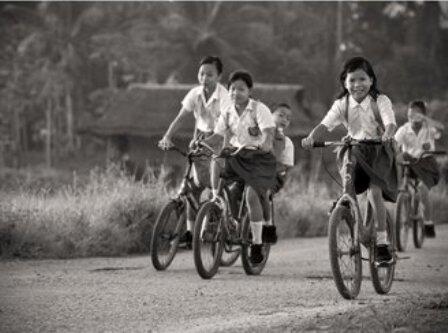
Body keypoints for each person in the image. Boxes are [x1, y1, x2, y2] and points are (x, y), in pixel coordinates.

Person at [302, 56, 398, 263]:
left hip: (379, 150)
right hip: (356, 148)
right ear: (345, 83)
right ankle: (346, 203)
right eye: (351, 80)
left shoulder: (380, 101)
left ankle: (382, 243)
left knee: (374, 190)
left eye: (362, 79)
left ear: (371, 80)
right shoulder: (341, 104)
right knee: (347, 171)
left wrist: (388, 133)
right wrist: (311, 138)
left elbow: (390, 122)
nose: (357, 85)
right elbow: (324, 125)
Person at [202, 70, 277, 264]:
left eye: (241, 89)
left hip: (259, 158)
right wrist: (202, 143)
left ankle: (258, 245)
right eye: (232, 89)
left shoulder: (260, 109)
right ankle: (216, 200)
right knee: (217, 158)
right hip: (237, 155)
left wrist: (266, 143)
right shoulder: (227, 112)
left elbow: (269, 133)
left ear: (249, 90)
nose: (236, 93)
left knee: (252, 196)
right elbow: (218, 136)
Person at [158, 56, 231, 244]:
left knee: (211, 181)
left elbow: (225, 127)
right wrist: (167, 136)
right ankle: (191, 234)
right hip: (199, 138)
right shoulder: (195, 93)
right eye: (201, 73)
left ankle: (221, 214)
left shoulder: (225, 97)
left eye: (210, 74)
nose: (204, 78)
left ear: (219, 76)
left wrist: (211, 142)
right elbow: (181, 117)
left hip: (220, 138)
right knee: (192, 186)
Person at [395, 100, 445, 237]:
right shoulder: (404, 129)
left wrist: (426, 119)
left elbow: (441, 128)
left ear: (423, 115)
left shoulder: (429, 128)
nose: (412, 118)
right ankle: (402, 191)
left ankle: (428, 222)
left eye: (417, 114)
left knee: (422, 190)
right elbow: (394, 143)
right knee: (399, 156)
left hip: (427, 163)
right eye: (410, 114)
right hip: (410, 163)